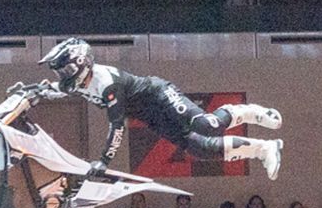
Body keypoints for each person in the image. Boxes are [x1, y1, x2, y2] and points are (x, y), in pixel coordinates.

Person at [38, 38, 284, 184]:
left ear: (81, 63)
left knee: (206, 125)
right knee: (200, 148)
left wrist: (104, 161)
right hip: (152, 117)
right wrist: (31, 92)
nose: (64, 77)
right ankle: (263, 149)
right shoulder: (82, 82)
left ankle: (251, 112)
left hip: (160, 95)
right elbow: (59, 89)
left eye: (66, 71)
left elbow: (117, 126)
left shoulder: (106, 84)